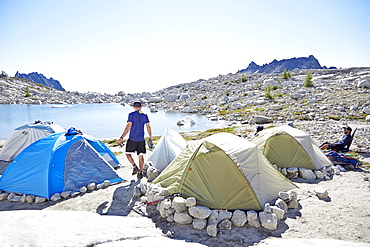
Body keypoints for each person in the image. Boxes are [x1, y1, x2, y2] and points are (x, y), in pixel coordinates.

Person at [117, 102, 152, 179]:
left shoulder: (131, 115)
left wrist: (121, 137)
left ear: (133, 107)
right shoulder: (144, 115)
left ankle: (134, 166)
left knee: (127, 153)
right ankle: (140, 171)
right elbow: (148, 127)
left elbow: (128, 127)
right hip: (141, 139)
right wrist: (150, 136)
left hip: (132, 138)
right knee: (140, 155)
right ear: (141, 107)